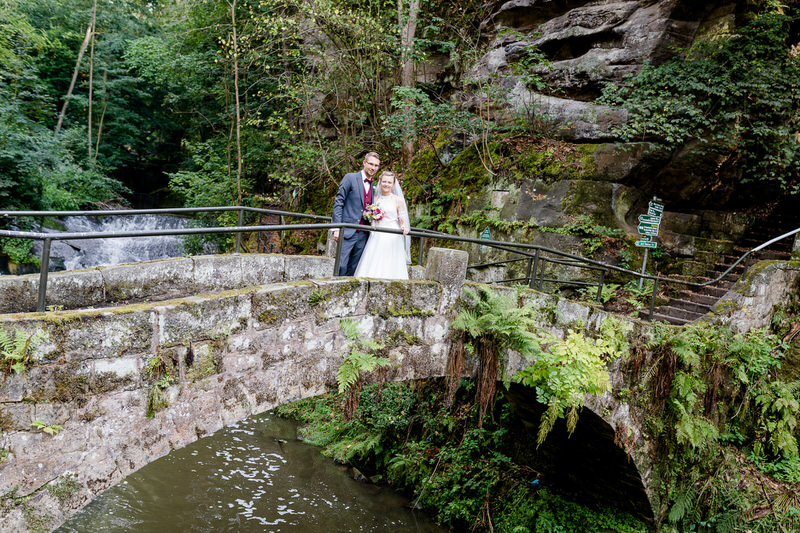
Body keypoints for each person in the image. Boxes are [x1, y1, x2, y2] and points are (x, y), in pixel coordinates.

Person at [353, 170, 410, 280]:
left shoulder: (398, 200)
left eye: (389, 182)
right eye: (384, 181)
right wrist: (372, 218)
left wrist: (403, 226)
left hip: (392, 235)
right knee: (374, 259)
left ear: (393, 184)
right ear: (380, 182)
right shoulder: (375, 198)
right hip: (377, 233)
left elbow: (402, 218)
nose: (386, 184)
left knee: (390, 261)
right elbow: (369, 215)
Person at [332, 152, 380, 276]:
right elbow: (339, 202)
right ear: (364, 163)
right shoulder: (350, 178)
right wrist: (337, 227)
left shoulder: (374, 187)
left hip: (364, 233)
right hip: (347, 230)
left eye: (376, 165)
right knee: (341, 265)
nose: (373, 168)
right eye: (370, 164)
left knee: (355, 267)